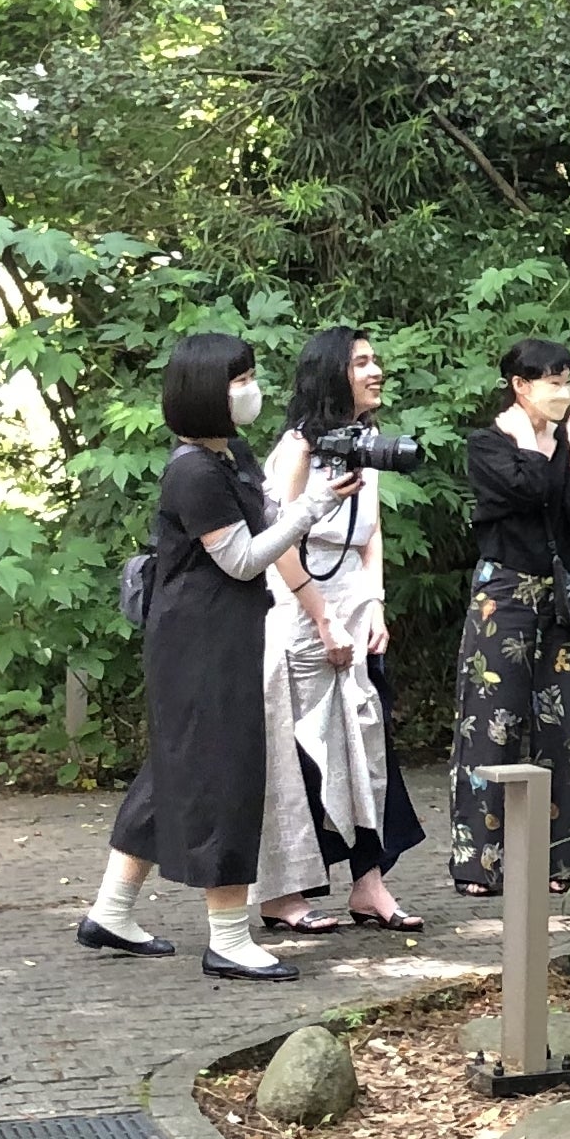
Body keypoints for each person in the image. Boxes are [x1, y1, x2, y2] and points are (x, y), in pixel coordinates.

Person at [80, 333, 354, 979]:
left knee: (174, 772)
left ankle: (111, 912)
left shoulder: (230, 455)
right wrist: (313, 508)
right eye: (240, 380)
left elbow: (266, 519)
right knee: (221, 777)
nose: (252, 390)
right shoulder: (194, 472)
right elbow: (241, 560)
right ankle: (228, 938)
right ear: (206, 389)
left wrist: (309, 499)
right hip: (200, 644)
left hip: (220, 634)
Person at [250, 327, 427, 935]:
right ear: (332, 374)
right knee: (303, 747)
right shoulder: (296, 450)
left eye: (375, 360)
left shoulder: (367, 443)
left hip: (355, 600)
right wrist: (322, 617)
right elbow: (277, 542)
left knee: (368, 743)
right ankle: (282, 892)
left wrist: (374, 603)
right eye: (360, 363)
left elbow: (370, 533)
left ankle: (369, 884)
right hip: (301, 607)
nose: (376, 371)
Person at [451, 335, 570, 897]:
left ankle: (562, 860)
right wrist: (531, 445)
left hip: (563, 599)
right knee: (491, 721)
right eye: (552, 383)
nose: (563, 393)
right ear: (520, 385)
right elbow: (529, 488)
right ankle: (480, 862)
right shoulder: (487, 444)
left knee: (562, 726)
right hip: (505, 593)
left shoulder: (569, 440)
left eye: (568, 383)